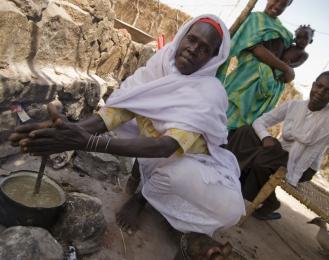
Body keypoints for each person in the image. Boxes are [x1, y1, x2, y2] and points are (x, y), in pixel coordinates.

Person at [10, 15, 245, 259]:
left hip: (193, 165)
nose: (193, 49)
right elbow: (119, 111)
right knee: (153, 161)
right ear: (183, 36)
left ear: (214, 57)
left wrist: (85, 141)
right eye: (192, 39)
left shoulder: (209, 93)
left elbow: (165, 146)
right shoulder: (160, 65)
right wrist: (69, 131)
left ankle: (145, 201)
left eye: (204, 48)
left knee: (220, 204)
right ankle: (154, 197)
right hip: (152, 154)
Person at [226, 71, 329, 220]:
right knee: (245, 132)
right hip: (277, 152)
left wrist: (293, 174)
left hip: (303, 164)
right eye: (319, 86)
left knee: (262, 160)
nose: (321, 92)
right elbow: (260, 122)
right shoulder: (294, 105)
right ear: (314, 85)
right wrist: (265, 137)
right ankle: (226, 172)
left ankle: (264, 199)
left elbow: (309, 154)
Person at [217, 0, 294, 133]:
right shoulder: (254, 19)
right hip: (242, 83)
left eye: (283, 4)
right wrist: (286, 69)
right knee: (222, 120)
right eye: (275, 0)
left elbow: (288, 59)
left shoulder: (285, 33)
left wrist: (286, 71)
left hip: (265, 93)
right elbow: (256, 48)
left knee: (238, 134)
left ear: (288, 6)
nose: (277, 6)